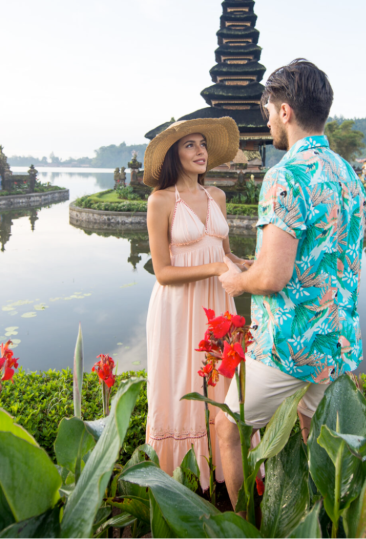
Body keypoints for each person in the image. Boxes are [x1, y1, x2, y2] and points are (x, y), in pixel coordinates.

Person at [217, 59, 366, 509]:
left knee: (228, 430)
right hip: (337, 342)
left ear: (285, 112)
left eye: (268, 109)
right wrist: (257, 263)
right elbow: (326, 254)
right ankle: (314, 521)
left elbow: (273, 277)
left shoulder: (285, 175)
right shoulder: (348, 174)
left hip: (289, 347)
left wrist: (238, 280)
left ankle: (248, 524)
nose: (266, 119)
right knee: (312, 439)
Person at [142, 117, 252, 490]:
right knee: (181, 381)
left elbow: (224, 251)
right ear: (174, 153)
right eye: (190, 145)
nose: (200, 151)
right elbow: (163, 272)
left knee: (223, 379)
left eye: (202, 144)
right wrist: (217, 267)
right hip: (177, 307)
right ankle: (184, 475)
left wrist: (243, 264)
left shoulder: (216, 196)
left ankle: (225, 466)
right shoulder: (160, 200)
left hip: (218, 301)